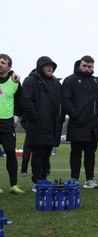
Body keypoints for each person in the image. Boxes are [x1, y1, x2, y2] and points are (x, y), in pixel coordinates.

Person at [21, 56, 64, 191]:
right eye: (47, 65)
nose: (50, 67)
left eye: (52, 65)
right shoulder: (30, 81)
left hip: (53, 125)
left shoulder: (56, 83)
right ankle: (37, 182)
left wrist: (59, 119)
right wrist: (36, 117)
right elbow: (26, 101)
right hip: (38, 124)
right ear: (40, 67)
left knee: (47, 154)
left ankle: (44, 179)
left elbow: (61, 103)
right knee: (38, 153)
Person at [62, 55, 98, 189]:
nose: (86, 68)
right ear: (80, 65)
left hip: (94, 125)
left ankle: (90, 179)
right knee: (75, 153)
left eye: (89, 66)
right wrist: (75, 115)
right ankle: (74, 179)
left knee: (91, 153)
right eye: (84, 65)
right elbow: (65, 100)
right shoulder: (70, 80)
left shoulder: (97, 81)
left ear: (93, 67)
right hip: (77, 124)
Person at [0, 53, 25, 194]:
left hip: (7, 123)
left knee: (10, 152)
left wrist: (15, 118)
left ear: (9, 66)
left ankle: (13, 185)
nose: (0, 64)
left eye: (3, 62)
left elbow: (20, 102)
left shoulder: (15, 81)